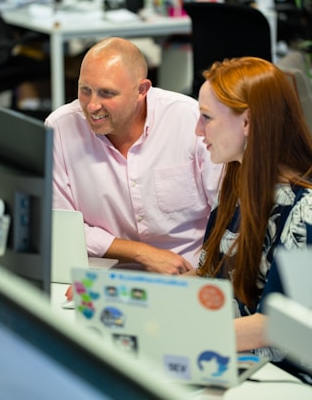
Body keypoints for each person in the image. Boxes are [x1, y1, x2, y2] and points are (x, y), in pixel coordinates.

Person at [45, 37, 222, 274]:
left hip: (190, 272)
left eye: (107, 93)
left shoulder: (188, 119)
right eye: (85, 90)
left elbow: (227, 211)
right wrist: (142, 253)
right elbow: (61, 225)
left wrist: (205, 273)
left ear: (142, 90)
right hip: (105, 273)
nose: (91, 106)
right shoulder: (60, 128)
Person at [186, 56, 312, 377]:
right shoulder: (236, 181)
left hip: (284, 378)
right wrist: (126, 294)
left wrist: (175, 335)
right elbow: (209, 281)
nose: (198, 130)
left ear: (247, 123)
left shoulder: (305, 209)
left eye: (206, 117)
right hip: (236, 362)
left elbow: (277, 324)